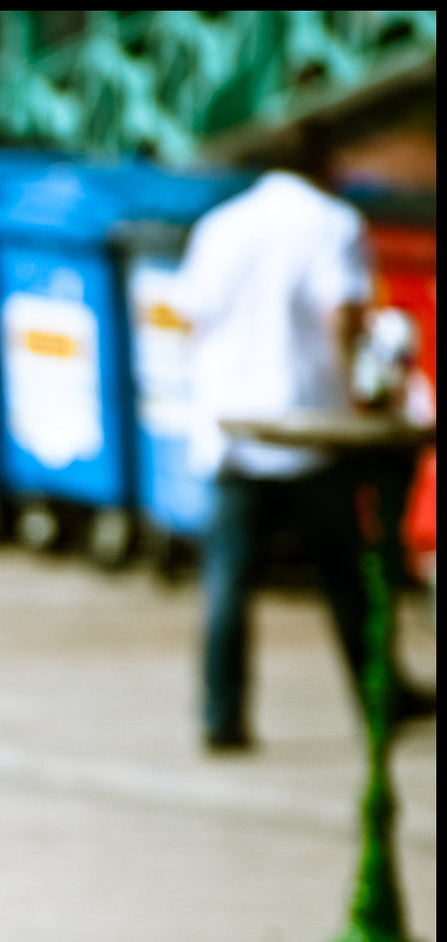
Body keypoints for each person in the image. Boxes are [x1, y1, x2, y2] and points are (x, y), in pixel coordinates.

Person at [176, 158, 434, 751]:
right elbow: (341, 314)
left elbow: (191, 318)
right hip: (309, 421)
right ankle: (379, 695)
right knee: (345, 571)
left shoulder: (220, 223)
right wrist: (365, 397)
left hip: (233, 421)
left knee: (228, 576)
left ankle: (221, 715)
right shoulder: (330, 222)